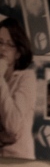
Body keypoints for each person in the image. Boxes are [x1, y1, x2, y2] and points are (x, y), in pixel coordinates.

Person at [0, 17, 35, 159]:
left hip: (18, 164)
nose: (2, 49)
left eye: (9, 44)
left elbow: (13, 125)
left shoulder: (26, 78)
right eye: (0, 42)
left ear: (18, 53)